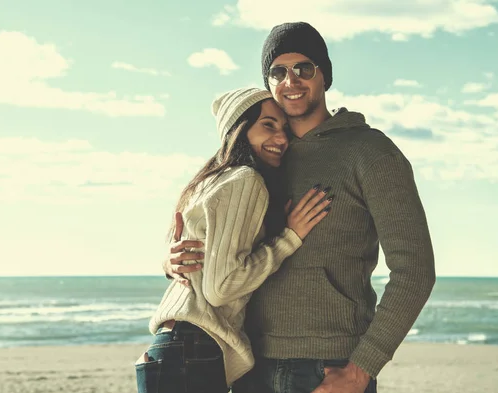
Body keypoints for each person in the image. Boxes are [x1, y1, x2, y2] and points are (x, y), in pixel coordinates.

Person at [164, 22, 436, 393]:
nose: (291, 80)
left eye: (304, 68)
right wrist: (174, 261)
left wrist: (362, 368)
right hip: (247, 363)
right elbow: (217, 233)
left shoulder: (371, 153)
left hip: (326, 367)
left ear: (325, 75)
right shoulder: (263, 155)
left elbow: (415, 270)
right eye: (278, 71)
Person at [136, 87, 333, 393]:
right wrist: (289, 238)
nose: (281, 139)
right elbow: (221, 288)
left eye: (284, 129)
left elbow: (199, 262)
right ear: (239, 130)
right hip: (192, 350)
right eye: (268, 125)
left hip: (171, 347)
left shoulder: (209, 181)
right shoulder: (245, 180)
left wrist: (168, 263)